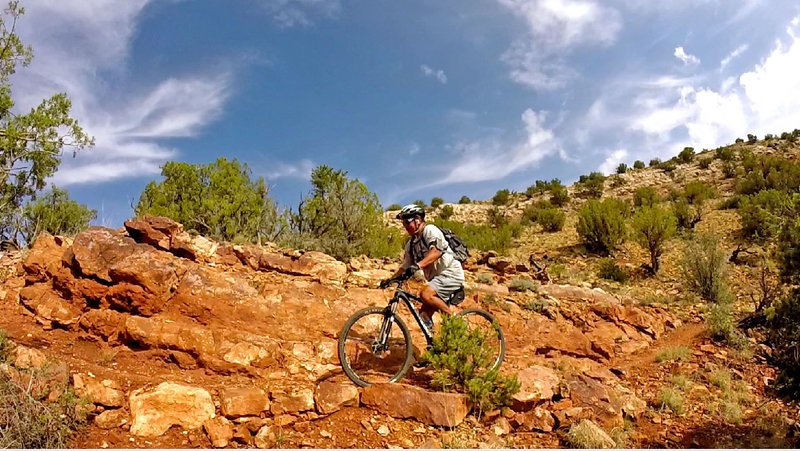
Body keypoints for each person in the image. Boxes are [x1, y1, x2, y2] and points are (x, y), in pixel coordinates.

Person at [380, 204, 465, 331]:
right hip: (436, 280)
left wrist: (418, 266)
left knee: (425, 294)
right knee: (424, 315)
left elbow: (436, 251)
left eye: (407, 223)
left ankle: (457, 320)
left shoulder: (430, 230)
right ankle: (434, 344)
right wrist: (391, 280)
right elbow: (405, 266)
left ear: (418, 219)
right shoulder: (411, 245)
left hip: (450, 274)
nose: (405, 227)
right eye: (404, 224)